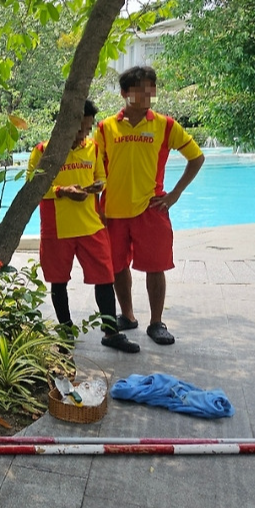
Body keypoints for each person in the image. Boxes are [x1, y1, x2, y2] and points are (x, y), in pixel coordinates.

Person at [95, 65, 204, 346]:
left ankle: (157, 323)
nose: (147, 93)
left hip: (152, 208)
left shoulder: (165, 125)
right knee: (118, 267)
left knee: (156, 268)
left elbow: (196, 157)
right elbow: (95, 169)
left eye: (150, 87)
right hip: (113, 211)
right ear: (124, 93)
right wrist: (97, 205)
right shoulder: (105, 128)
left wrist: (175, 194)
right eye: (140, 88)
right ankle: (128, 316)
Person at [27, 99, 140, 353]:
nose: (83, 134)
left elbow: (101, 177)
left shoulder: (94, 148)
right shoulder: (43, 151)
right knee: (59, 282)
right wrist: (62, 191)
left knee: (104, 278)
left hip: (91, 225)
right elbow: (33, 188)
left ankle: (111, 332)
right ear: (63, 125)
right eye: (79, 129)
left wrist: (99, 185)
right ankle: (66, 333)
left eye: (87, 129)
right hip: (58, 228)